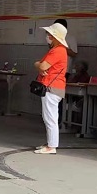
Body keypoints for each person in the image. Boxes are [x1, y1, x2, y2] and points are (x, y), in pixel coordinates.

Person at [34, 23, 68, 154]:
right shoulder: (58, 50)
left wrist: (38, 65)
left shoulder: (57, 50)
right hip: (53, 87)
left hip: (51, 87)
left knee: (50, 117)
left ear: (53, 36)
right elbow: (40, 64)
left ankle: (51, 146)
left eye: (48, 34)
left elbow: (42, 65)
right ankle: (50, 143)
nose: (47, 36)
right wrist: (39, 65)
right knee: (49, 116)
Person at [54, 19, 77, 132]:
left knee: (60, 96)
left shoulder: (71, 38)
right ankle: (54, 119)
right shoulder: (54, 38)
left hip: (65, 71)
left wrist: (63, 47)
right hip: (54, 71)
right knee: (53, 96)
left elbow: (74, 54)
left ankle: (60, 120)